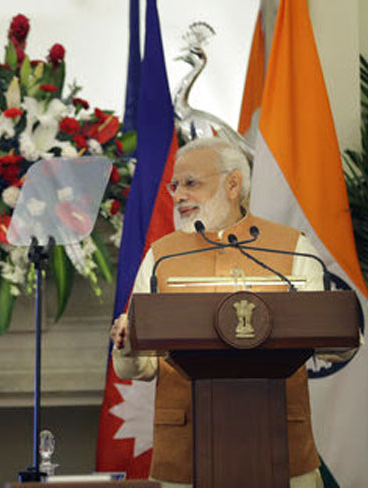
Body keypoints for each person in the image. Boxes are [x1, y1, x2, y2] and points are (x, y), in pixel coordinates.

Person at [109, 137, 328, 488]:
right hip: (184, 454)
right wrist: (126, 343)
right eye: (175, 185)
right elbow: (143, 366)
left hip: (281, 447)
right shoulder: (161, 255)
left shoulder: (292, 247)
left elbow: (333, 338)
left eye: (191, 183)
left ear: (233, 184)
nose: (178, 195)